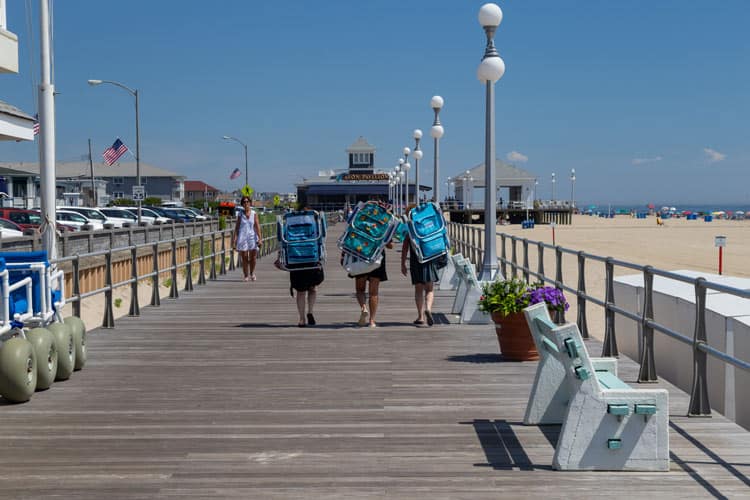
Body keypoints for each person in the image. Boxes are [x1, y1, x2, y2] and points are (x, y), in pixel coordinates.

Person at [401, 233, 439, 327]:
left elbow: (405, 248)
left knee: (418, 290)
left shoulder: (411, 228)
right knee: (429, 289)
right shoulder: (430, 226)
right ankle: (428, 309)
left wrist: (403, 263)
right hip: (429, 260)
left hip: (416, 262)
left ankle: (420, 317)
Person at [232, 196, 261, 281]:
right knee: (244, 257)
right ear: (242, 204)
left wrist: (260, 239)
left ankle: (252, 273)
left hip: (252, 237)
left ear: (250, 203)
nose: (246, 203)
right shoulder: (240, 214)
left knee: (253, 257)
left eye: (247, 201)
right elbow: (237, 228)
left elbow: (257, 226)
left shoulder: (254, 213)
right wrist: (234, 241)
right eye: (244, 202)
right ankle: (246, 275)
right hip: (243, 237)